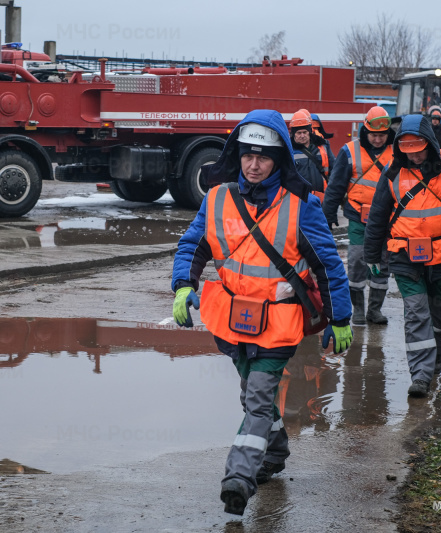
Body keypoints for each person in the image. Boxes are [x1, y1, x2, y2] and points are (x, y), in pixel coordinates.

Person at [171, 109, 352, 515]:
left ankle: (239, 476)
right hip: (231, 321)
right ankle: (275, 452)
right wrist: (184, 285)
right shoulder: (218, 197)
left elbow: (328, 267)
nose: (254, 165)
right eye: (248, 155)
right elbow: (192, 246)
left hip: (278, 324)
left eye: (264, 157)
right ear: (237, 155)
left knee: (257, 399)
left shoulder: (301, 206)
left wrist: (341, 318)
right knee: (252, 394)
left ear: (280, 160)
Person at [363, 114, 441, 398]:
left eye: (418, 149)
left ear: (429, 143)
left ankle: (435, 355)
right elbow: (378, 216)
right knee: (416, 314)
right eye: (407, 151)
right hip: (405, 257)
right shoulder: (392, 173)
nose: (414, 156)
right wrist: (371, 255)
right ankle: (420, 375)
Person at [322, 106, 394, 326]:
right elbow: (335, 186)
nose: (378, 139)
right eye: (374, 135)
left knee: (382, 264)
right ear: (366, 130)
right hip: (358, 218)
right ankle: (359, 310)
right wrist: (328, 214)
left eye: (382, 135)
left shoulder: (396, 151)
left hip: (386, 221)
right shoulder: (349, 151)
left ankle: (375, 310)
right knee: (356, 262)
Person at [289, 108, 336, 203]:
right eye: (299, 133)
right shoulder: (288, 150)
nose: (302, 135)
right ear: (293, 134)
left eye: (305, 132)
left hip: (322, 199)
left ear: (309, 132)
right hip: (298, 200)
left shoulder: (323, 146)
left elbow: (334, 170)